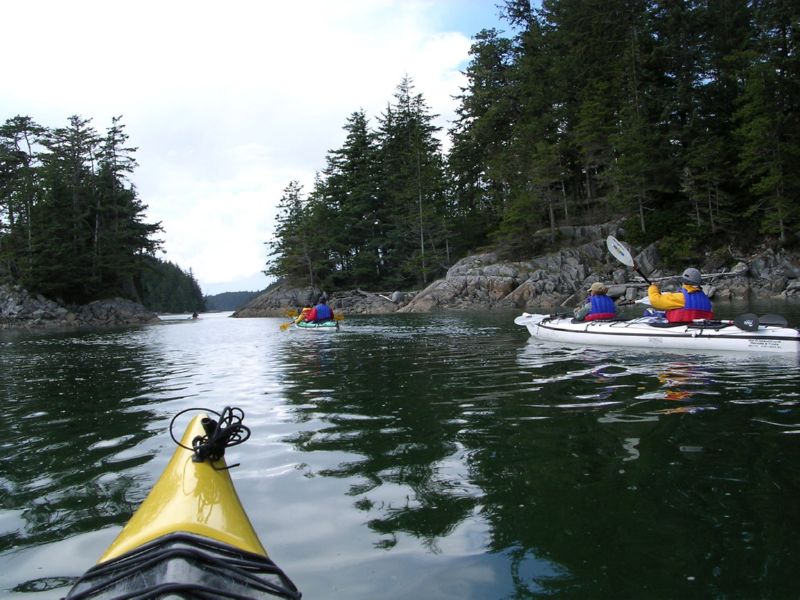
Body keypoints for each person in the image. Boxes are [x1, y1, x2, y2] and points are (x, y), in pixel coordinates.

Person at [648, 267, 713, 323]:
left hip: (681, 328)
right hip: (699, 327)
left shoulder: (681, 297)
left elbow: (655, 300)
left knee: (648, 312)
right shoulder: (706, 299)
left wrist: (653, 287)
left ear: (683, 281)